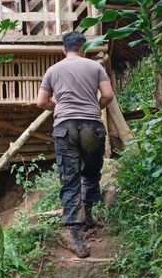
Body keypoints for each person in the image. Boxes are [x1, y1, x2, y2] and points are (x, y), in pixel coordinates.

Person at [36, 31, 115, 258]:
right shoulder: (95, 67)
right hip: (92, 125)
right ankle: (88, 216)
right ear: (83, 48)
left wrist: (59, 108)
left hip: (65, 128)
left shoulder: (53, 70)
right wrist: (95, 105)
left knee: (69, 180)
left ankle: (77, 238)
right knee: (90, 172)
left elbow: (41, 101)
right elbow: (108, 96)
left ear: (64, 49)